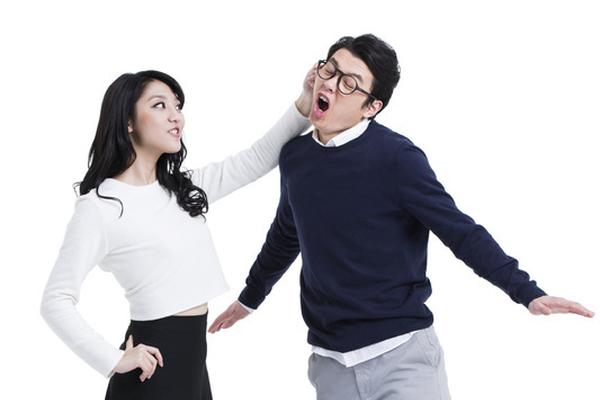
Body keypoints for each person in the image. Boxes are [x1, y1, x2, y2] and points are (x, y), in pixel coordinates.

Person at [209, 34, 595, 400]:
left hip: (402, 357)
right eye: (330, 70)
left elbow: (459, 231)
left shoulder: (396, 159)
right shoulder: (296, 157)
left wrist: (527, 292)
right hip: (330, 364)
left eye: (349, 83)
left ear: (371, 107)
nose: (331, 84)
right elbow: (286, 233)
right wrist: (250, 298)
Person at [40, 68, 314, 399]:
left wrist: (305, 102)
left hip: (193, 366)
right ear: (128, 121)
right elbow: (55, 300)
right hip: (153, 371)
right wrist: (114, 360)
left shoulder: (183, 190)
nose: (176, 117)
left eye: (177, 106)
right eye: (159, 105)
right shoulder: (101, 207)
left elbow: (256, 158)